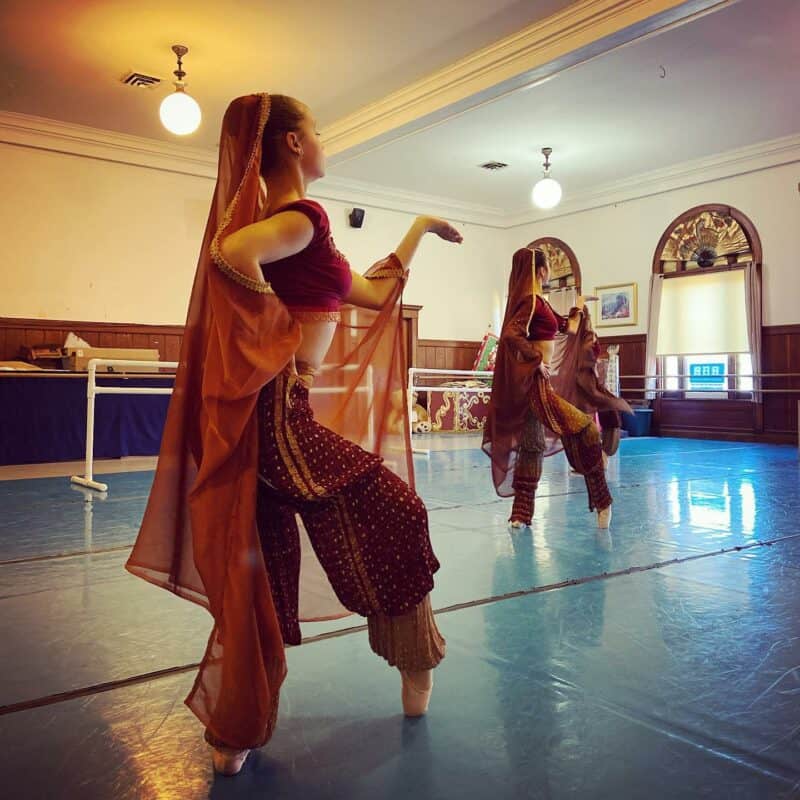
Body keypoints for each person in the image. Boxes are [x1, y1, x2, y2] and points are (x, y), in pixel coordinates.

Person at [125, 93, 462, 776]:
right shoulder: (301, 216)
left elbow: (371, 292)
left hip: (277, 416)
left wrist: (418, 229)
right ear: (290, 145)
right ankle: (414, 661)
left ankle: (237, 731)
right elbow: (231, 254)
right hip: (279, 417)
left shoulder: (313, 233)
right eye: (317, 132)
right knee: (401, 509)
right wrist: (278, 331)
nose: (323, 142)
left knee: (264, 570)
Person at [482, 247, 628, 531]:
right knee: (585, 429)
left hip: (538, 383)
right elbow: (511, 335)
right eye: (548, 268)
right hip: (533, 384)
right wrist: (536, 360)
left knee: (532, 446)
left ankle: (521, 514)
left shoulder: (542, 304)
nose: (549, 272)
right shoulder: (530, 302)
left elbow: (568, 327)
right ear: (542, 270)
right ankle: (603, 501)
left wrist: (580, 303)